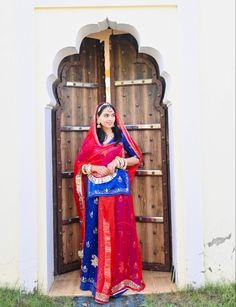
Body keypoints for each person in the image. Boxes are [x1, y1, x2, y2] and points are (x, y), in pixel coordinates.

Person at [73, 102, 145, 304]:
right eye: (105, 115)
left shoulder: (122, 138)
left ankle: (119, 281)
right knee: (97, 234)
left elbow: (137, 158)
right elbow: (80, 165)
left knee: (118, 233)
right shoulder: (90, 142)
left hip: (118, 195)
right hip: (97, 195)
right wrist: (93, 168)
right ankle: (98, 283)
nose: (110, 118)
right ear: (97, 119)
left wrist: (117, 163)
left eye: (112, 115)